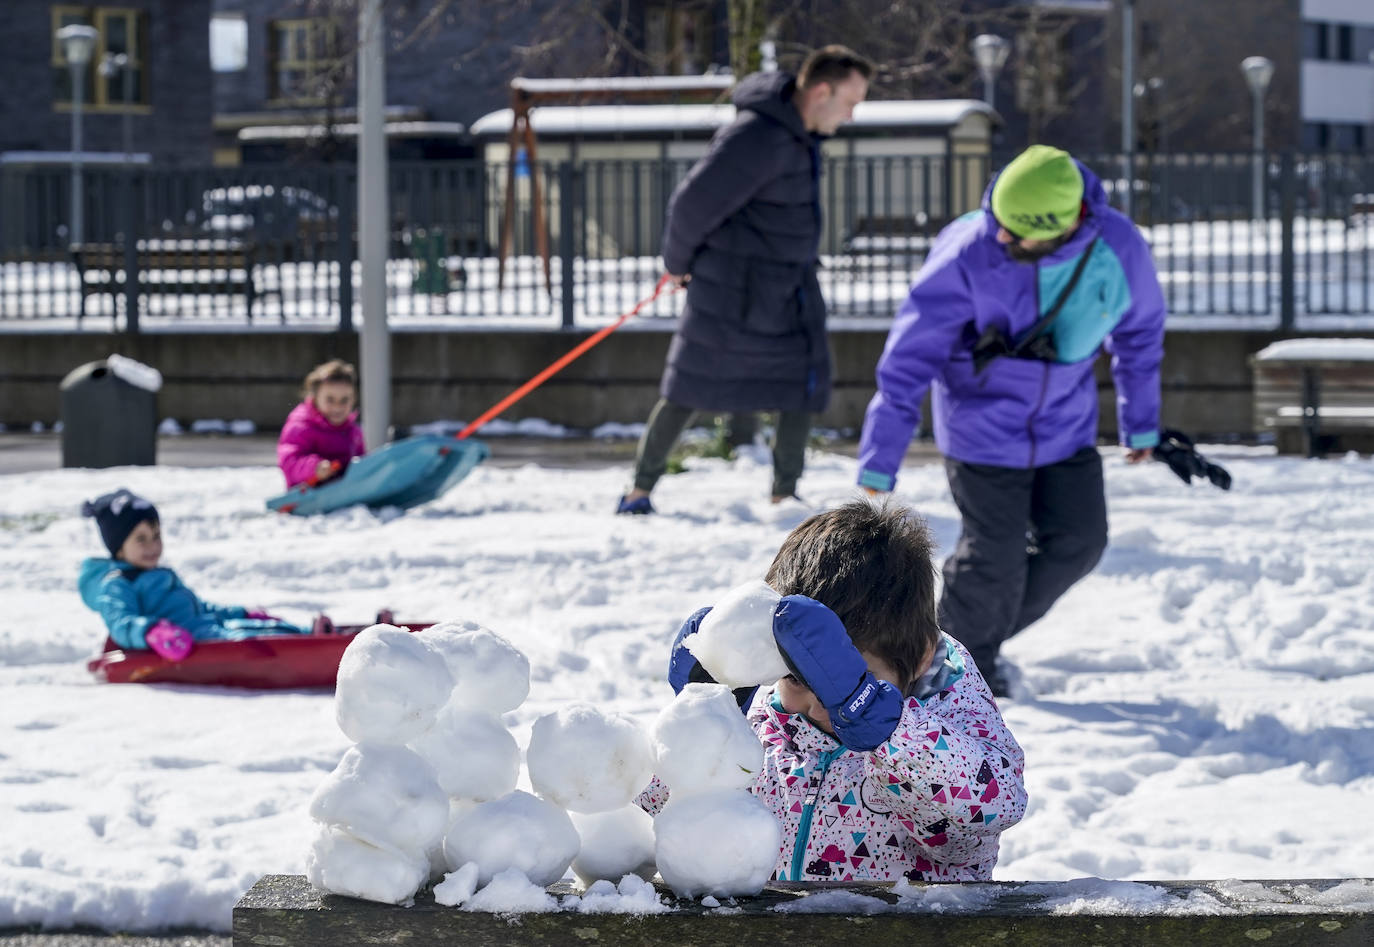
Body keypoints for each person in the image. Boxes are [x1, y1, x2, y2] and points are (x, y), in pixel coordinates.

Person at [856, 144, 1167, 695]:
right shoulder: (968, 249)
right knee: (993, 560)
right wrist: (881, 456)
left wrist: (1140, 425)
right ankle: (944, 671)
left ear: (1070, 223)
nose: (999, 235)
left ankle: (955, 649)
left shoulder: (1117, 247)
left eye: (1015, 231)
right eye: (998, 221)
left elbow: (1139, 336)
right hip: (980, 433)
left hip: (1066, 427)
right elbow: (909, 357)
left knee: (1080, 543)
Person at [641, 499, 1027, 882]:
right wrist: (699, 725)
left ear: (922, 657)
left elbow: (991, 810)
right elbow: (654, 816)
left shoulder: (950, 717)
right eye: (795, 678)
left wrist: (885, 728)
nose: (820, 704)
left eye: (848, 681)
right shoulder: (761, 729)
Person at [616, 46, 874, 514]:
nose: (852, 115)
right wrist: (676, 265)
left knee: (804, 378)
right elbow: (692, 205)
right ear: (821, 92)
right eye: (851, 103)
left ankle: (784, 494)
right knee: (689, 384)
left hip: (785, 287)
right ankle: (639, 492)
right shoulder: (758, 137)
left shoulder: (798, 136)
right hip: (732, 290)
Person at [79, 488, 313, 660]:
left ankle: (312, 635)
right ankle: (309, 651)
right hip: (187, 641)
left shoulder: (162, 574)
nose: (152, 546)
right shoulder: (117, 584)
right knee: (249, 641)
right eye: (141, 539)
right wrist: (153, 632)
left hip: (205, 627)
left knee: (262, 628)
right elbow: (121, 622)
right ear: (118, 547)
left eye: (156, 536)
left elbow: (198, 607)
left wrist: (242, 612)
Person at [278, 359, 366, 488]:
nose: (337, 407)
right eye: (330, 400)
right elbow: (289, 462)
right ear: (315, 398)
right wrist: (314, 468)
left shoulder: (352, 431)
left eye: (344, 400)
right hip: (307, 493)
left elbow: (360, 459)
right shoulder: (301, 426)